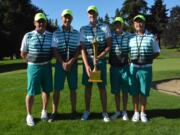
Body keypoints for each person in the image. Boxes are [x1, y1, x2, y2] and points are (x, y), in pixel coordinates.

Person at [20, 13, 53, 126]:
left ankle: (44, 111)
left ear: (46, 23)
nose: (41, 23)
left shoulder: (50, 35)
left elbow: (53, 51)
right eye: (38, 21)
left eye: (43, 21)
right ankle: (29, 115)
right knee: (31, 92)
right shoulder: (28, 35)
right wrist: (31, 62)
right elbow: (23, 53)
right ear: (34, 23)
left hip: (47, 66)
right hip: (33, 67)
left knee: (46, 90)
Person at [80, 5, 112, 122]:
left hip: (101, 62)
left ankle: (104, 113)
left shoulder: (105, 27)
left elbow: (109, 45)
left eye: (93, 13)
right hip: (88, 61)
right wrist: (87, 65)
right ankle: (87, 111)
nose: (92, 15)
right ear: (88, 15)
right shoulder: (83, 29)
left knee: (102, 88)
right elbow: (82, 48)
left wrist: (99, 57)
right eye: (90, 13)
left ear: (97, 14)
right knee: (88, 88)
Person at [48, 9, 80, 122]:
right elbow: (54, 49)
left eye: (69, 17)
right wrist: (62, 62)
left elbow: (78, 49)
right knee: (57, 89)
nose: (67, 19)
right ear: (62, 18)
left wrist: (71, 61)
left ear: (72, 19)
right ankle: (54, 112)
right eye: (65, 17)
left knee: (73, 89)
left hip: (73, 64)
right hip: (60, 64)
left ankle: (74, 111)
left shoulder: (76, 33)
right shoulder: (56, 33)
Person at [129, 15, 160, 123]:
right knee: (134, 92)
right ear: (134, 25)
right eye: (136, 22)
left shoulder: (151, 37)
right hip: (133, 68)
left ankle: (143, 113)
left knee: (143, 92)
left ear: (144, 23)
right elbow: (127, 52)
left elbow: (157, 52)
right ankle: (136, 112)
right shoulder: (131, 38)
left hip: (146, 69)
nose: (139, 24)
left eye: (140, 22)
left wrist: (148, 59)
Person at [109, 17, 130, 121]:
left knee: (125, 91)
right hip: (114, 67)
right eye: (116, 23)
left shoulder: (128, 35)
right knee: (116, 91)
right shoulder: (110, 36)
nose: (117, 25)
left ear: (122, 25)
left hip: (125, 66)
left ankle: (125, 112)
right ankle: (118, 111)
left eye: (119, 23)